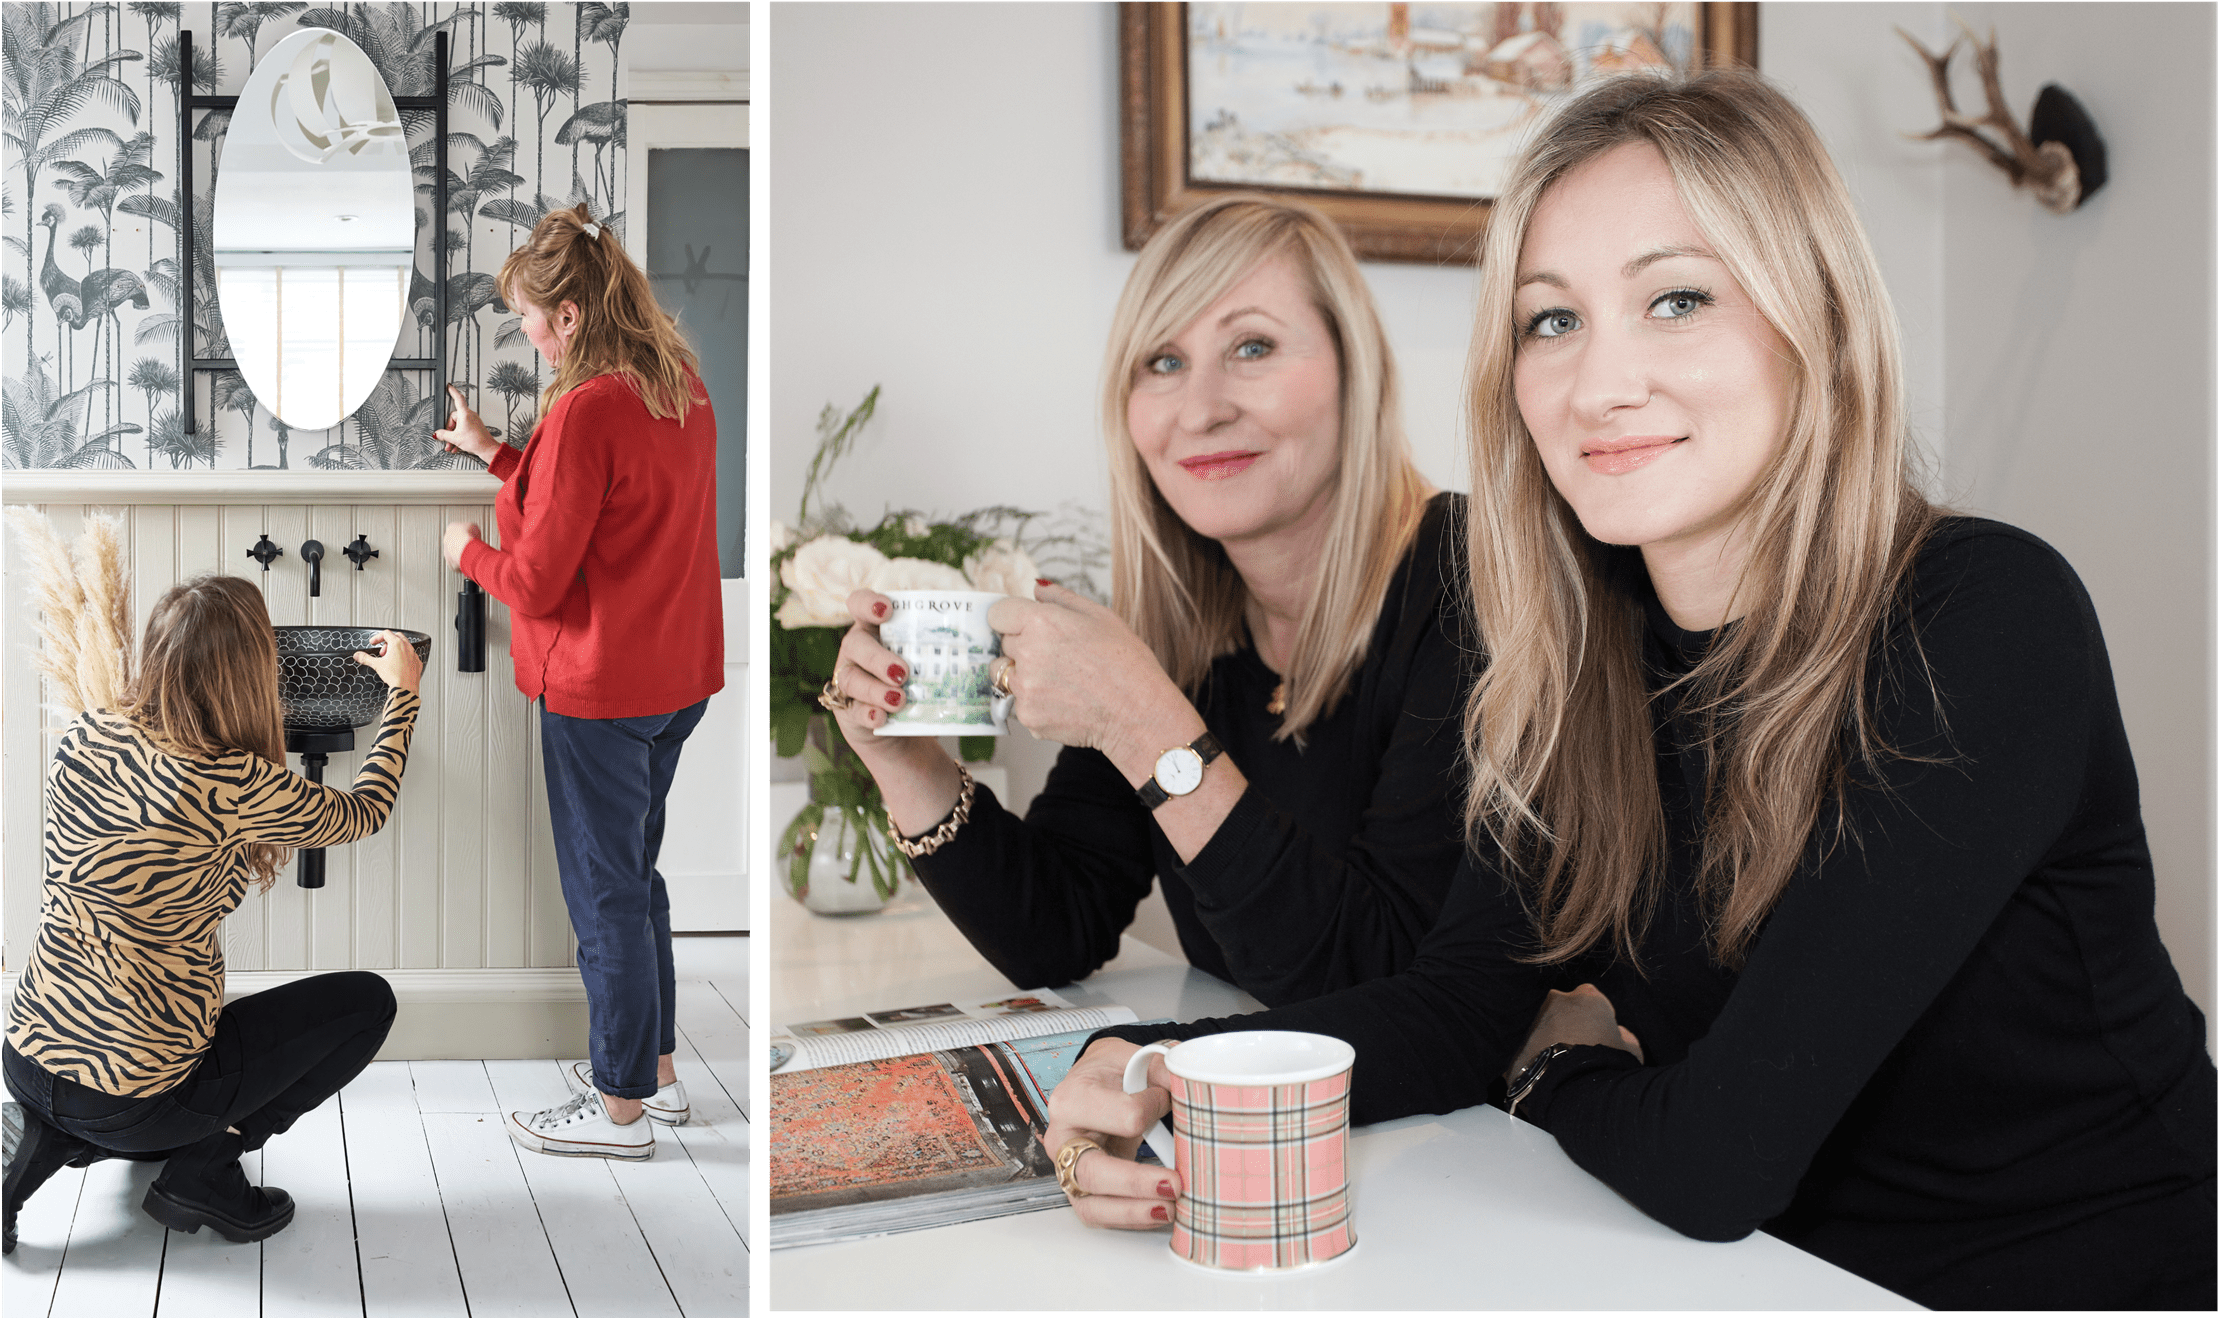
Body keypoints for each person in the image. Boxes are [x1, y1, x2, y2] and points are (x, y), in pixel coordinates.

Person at [1042, 71, 2216, 1312]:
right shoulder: (1575, 659)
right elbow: (1460, 1007)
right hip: (1772, 1278)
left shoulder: (1980, 616)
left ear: (1814, 322)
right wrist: (1145, 1066)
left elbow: (1722, 1156)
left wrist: (1548, 1075)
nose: (1598, 384)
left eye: (1676, 299)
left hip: (2097, 1272)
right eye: (1553, 322)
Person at [820, 194, 1470, 1008]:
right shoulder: (1183, 630)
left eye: (1254, 346)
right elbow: (1056, 928)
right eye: (1162, 362)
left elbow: (1384, 982)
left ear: (1355, 371)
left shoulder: (1471, 582)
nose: (1200, 410)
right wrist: (904, 762)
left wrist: (1144, 723)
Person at [2, 576, 419, 1252]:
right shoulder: (230, 780)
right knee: (367, 1004)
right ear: (252, 669)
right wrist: (403, 693)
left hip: (26, 1054)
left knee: (116, 1068)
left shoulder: (87, 732)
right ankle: (205, 1168)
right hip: (136, 1096)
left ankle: (51, 1140)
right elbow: (365, 809)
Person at [436, 203, 722, 1162]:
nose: (525, 331)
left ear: (567, 314)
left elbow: (539, 576)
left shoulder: (588, 406)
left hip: (602, 690)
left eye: (527, 314)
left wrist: (467, 553)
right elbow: (597, 507)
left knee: (604, 896)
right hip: (675, 680)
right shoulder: (677, 388)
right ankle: (660, 1077)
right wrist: (496, 453)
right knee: (638, 882)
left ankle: (618, 1110)